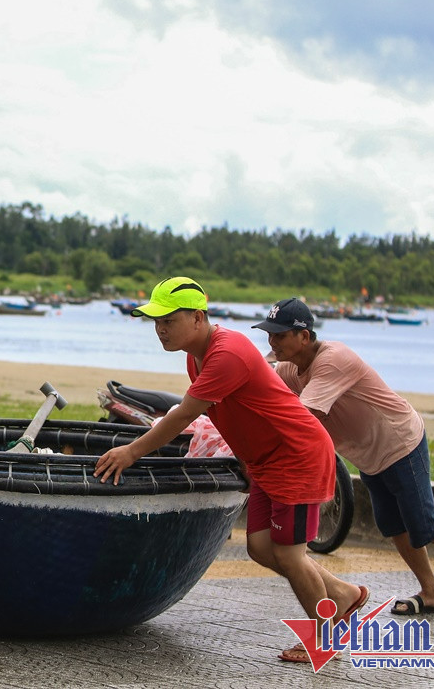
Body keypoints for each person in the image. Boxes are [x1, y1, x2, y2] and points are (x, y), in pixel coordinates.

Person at [94, 277, 367, 664]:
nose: (161, 329)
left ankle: (326, 638)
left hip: (296, 454)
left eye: (169, 320)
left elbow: (184, 415)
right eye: (156, 322)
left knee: (290, 555)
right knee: (260, 548)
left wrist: (131, 452)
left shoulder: (227, 353)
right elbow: (227, 413)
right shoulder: (196, 357)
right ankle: (343, 594)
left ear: (198, 317)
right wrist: (244, 459)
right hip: (265, 460)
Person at [255, 298, 434, 615]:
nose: (272, 341)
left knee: (423, 522)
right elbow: (264, 384)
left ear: (304, 336)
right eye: (269, 334)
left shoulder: (332, 360)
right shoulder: (290, 369)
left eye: (280, 335)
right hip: (368, 455)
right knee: (394, 526)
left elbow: (304, 418)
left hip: (400, 443)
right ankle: (432, 592)